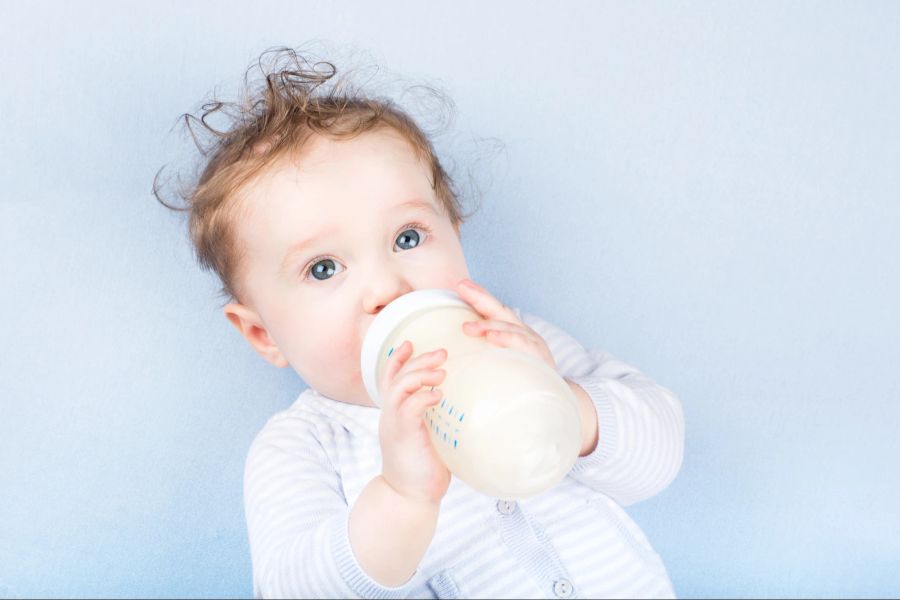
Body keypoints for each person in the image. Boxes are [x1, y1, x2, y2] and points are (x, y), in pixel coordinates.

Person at [154, 46, 685, 599]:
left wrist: (567, 404)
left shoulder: (512, 342)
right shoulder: (303, 446)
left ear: (454, 232)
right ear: (263, 333)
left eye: (407, 238)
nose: (387, 287)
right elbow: (294, 587)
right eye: (324, 267)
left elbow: (658, 457)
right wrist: (401, 498)